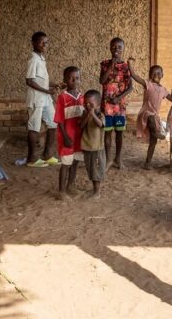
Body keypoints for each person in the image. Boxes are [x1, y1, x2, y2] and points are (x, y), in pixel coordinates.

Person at [18, 31, 59, 168]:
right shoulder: (33, 59)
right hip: (36, 99)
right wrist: (47, 90)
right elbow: (29, 81)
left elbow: (41, 80)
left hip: (45, 98)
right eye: (42, 42)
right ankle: (32, 159)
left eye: (46, 42)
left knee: (54, 123)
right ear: (34, 43)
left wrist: (56, 84)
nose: (45, 45)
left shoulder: (41, 59)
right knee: (34, 127)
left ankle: (47, 155)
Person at [99, 37, 133, 170]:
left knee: (119, 133)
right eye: (113, 47)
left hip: (119, 107)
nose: (116, 49)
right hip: (107, 106)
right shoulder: (104, 63)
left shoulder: (125, 67)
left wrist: (119, 98)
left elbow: (130, 87)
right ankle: (108, 159)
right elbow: (102, 80)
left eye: (119, 47)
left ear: (123, 49)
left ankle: (118, 159)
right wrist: (111, 66)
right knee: (107, 132)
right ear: (109, 48)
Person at [130, 61, 169, 170]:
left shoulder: (163, 90)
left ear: (162, 75)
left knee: (153, 142)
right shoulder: (148, 84)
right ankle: (157, 133)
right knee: (151, 117)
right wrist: (129, 64)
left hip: (155, 117)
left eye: (158, 73)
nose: (156, 75)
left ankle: (147, 163)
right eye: (153, 73)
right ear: (149, 75)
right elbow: (134, 76)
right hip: (145, 114)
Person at [54, 66, 85, 198]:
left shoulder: (82, 97)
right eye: (71, 78)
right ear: (65, 80)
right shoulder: (62, 98)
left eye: (77, 78)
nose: (74, 81)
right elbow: (59, 120)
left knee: (75, 162)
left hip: (79, 137)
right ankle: (61, 191)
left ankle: (70, 185)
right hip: (67, 137)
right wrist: (65, 137)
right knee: (65, 164)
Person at [80, 89, 107, 198]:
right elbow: (81, 126)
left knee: (97, 170)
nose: (88, 106)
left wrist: (93, 115)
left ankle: (97, 192)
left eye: (91, 104)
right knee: (90, 170)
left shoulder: (100, 115)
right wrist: (88, 115)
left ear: (98, 104)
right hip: (87, 147)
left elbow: (100, 125)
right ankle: (93, 189)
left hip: (97, 149)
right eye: (85, 104)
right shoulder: (85, 114)